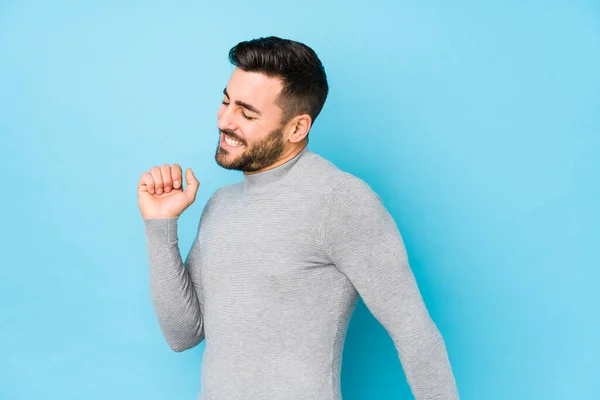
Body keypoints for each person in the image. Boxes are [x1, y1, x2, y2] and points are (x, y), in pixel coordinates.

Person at [137, 36, 459, 400]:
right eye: (226, 101)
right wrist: (160, 226)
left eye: (246, 112)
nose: (224, 120)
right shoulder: (221, 204)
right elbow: (183, 335)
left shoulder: (340, 201)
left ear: (297, 128)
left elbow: (415, 334)